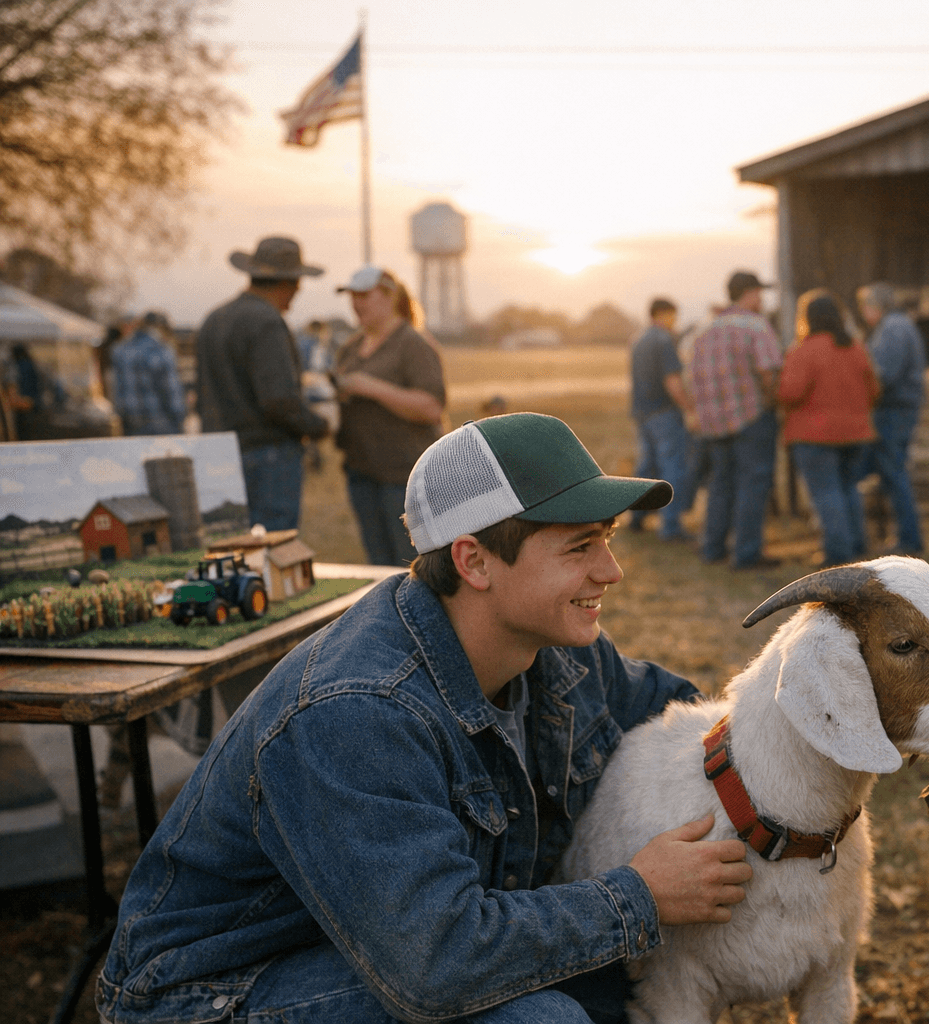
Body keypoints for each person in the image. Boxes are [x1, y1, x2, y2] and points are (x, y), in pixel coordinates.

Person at [97, 412, 755, 1024]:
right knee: (543, 1018)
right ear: (473, 561)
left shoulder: (557, 653)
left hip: (378, 950)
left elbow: (684, 717)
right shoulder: (355, 713)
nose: (610, 571)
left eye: (607, 540)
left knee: (634, 979)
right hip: (212, 994)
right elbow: (437, 964)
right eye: (580, 547)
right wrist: (636, 897)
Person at [195, 236, 331, 532]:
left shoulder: (214, 319)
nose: (298, 292)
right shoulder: (266, 322)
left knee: (231, 546)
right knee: (271, 547)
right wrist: (319, 425)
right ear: (289, 282)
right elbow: (279, 400)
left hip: (219, 454)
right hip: (267, 458)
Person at [332, 266, 446, 566]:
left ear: (389, 296)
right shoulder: (351, 348)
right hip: (361, 474)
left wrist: (371, 388)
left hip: (403, 478)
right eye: (352, 296)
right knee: (379, 567)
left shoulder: (413, 344)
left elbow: (432, 407)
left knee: (410, 566)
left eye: (364, 295)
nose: (356, 303)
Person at [687, 270, 784, 570]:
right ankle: (746, 552)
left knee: (720, 484)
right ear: (750, 293)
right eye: (759, 293)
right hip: (751, 417)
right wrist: (774, 401)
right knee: (752, 484)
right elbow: (769, 373)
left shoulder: (704, 331)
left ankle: (713, 547)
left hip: (714, 422)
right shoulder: (756, 327)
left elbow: (692, 377)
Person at [777, 291, 879, 567]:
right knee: (849, 489)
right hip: (856, 433)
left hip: (815, 435)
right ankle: (857, 545)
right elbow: (874, 390)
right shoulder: (856, 348)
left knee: (826, 493)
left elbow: (790, 393)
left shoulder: (804, 350)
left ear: (807, 318)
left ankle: (838, 553)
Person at [855, 281, 927, 555]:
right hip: (900, 407)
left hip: (894, 409)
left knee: (894, 470)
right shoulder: (898, 326)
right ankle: (897, 534)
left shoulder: (892, 329)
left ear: (875, 306)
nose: (864, 312)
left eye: (865, 306)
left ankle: (909, 537)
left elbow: (882, 374)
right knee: (889, 471)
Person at [628, 296, 696, 541]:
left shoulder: (638, 340)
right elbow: (673, 381)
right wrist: (689, 408)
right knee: (673, 468)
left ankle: (636, 518)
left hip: (642, 412)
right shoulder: (664, 340)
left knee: (647, 467)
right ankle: (670, 527)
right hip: (664, 413)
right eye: (673, 315)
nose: (675, 321)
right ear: (664, 313)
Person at [111, 311, 186, 435]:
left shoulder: (120, 350)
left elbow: (117, 391)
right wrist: (179, 419)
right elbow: (171, 392)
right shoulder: (161, 350)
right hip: (161, 423)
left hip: (130, 424)